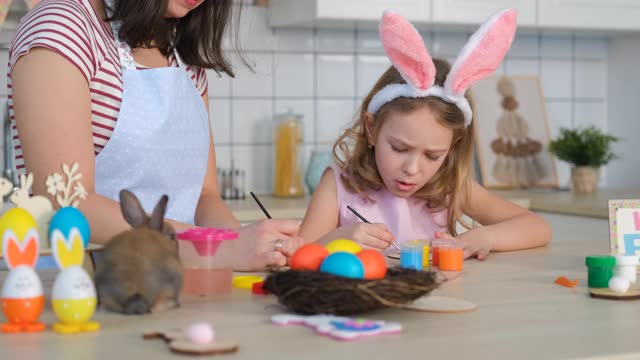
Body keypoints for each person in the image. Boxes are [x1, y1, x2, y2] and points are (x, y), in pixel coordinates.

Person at [9, 0, 301, 270]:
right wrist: (214, 248)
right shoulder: (62, 27)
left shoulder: (180, 52)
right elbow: (67, 199)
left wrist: (250, 245)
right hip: (83, 284)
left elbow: (204, 196)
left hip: (174, 281)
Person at [299, 9, 551, 260]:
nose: (412, 168)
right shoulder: (340, 186)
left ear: (452, 147)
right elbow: (299, 256)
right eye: (399, 148)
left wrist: (483, 237)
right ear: (371, 129)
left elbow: (537, 227)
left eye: (432, 155)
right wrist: (338, 239)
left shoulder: (450, 187)